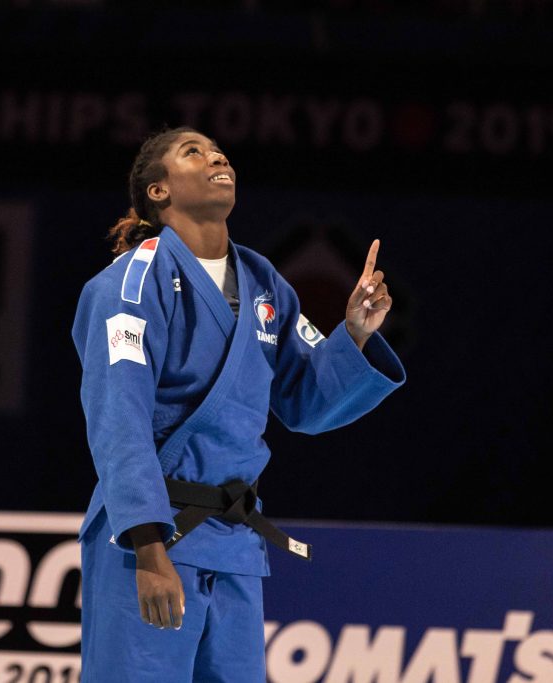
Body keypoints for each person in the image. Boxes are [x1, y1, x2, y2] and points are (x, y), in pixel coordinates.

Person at [71, 126, 405, 682]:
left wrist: (354, 334)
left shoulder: (263, 282)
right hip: (152, 536)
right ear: (159, 190)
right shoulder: (128, 285)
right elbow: (118, 420)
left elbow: (306, 403)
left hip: (234, 545)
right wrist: (148, 548)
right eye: (193, 152)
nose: (216, 156)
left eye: (218, 150)